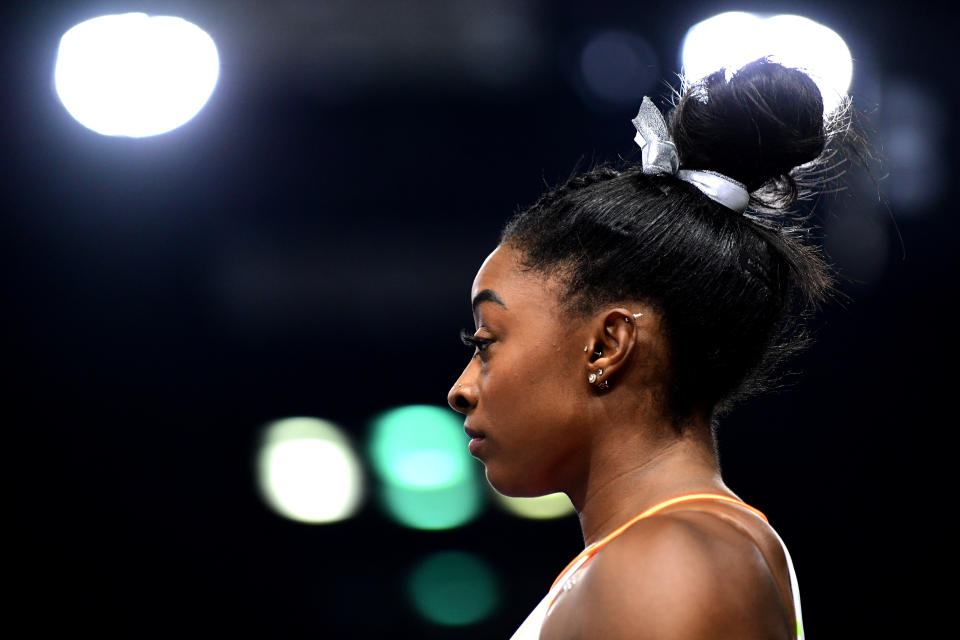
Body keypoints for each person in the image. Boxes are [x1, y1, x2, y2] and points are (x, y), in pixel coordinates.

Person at [446, 59, 852, 639]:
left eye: (486, 342)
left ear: (608, 345)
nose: (460, 389)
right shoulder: (684, 548)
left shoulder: (664, 563)